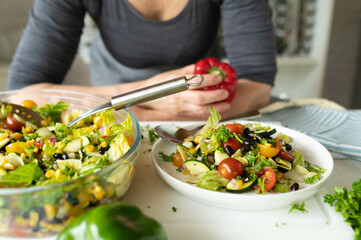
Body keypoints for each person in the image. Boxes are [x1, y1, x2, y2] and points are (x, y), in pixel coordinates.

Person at [7, 0, 277, 121]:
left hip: (196, 121)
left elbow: (258, 85)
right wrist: (150, 97)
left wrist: (159, 110)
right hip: (115, 120)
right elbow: (23, 97)